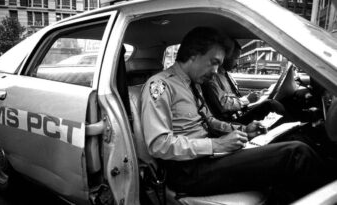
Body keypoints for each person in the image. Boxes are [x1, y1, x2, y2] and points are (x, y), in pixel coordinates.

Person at [140, 27, 329, 203]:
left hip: (207, 156)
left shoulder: (193, 84)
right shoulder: (160, 85)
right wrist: (216, 144)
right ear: (193, 54)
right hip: (188, 170)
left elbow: (210, 120)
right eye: (213, 62)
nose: (215, 72)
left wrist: (242, 129)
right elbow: (159, 144)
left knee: (290, 140)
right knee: (295, 153)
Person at [201, 39, 286, 124]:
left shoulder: (227, 75)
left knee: (269, 103)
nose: (237, 63)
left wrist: (253, 97)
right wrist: (247, 99)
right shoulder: (213, 77)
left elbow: (234, 97)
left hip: (239, 113)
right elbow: (223, 105)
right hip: (230, 121)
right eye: (236, 58)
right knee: (270, 104)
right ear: (226, 57)